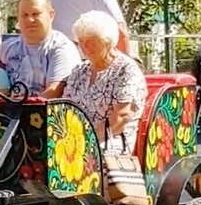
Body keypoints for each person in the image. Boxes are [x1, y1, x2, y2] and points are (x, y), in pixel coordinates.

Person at [62, 11, 147, 151]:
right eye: (81, 41)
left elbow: (121, 118)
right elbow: (65, 108)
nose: (84, 47)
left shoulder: (126, 70)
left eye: (90, 41)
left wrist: (86, 140)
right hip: (75, 140)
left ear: (107, 41)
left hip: (112, 140)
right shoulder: (79, 71)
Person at [0, 0, 81, 98]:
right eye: (25, 15)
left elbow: (54, 91)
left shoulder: (61, 47)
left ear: (51, 15)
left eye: (36, 14)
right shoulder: (6, 47)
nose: (30, 19)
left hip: (43, 112)